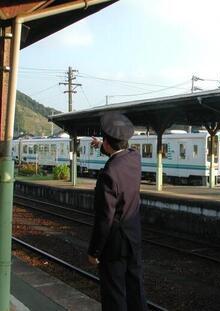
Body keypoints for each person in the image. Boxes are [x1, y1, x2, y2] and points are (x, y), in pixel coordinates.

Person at [88, 112, 148, 311]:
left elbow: (104, 218)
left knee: (115, 295)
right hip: (133, 237)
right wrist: (102, 144)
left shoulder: (108, 173)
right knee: (135, 289)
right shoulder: (134, 159)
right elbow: (121, 151)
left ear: (106, 142)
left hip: (114, 245)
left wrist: (94, 252)